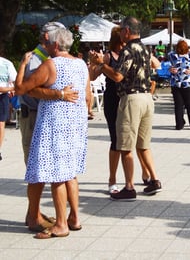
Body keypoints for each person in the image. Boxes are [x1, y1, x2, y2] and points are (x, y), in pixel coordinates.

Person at [15, 27, 90, 239]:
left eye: (48, 43)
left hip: (53, 125)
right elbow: (87, 97)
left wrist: (22, 64)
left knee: (57, 175)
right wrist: (58, 95)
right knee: (70, 173)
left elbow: (21, 88)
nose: (45, 46)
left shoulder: (51, 64)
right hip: (75, 125)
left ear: (55, 45)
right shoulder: (81, 64)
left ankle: (61, 224)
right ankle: (74, 218)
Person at [90, 16, 162, 200]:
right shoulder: (146, 49)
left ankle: (129, 187)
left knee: (126, 146)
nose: (121, 33)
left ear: (127, 31)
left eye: (122, 29)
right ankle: (154, 179)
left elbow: (118, 76)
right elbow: (156, 67)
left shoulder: (128, 50)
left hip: (131, 99)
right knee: (143, 144)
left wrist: (101, 64)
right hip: (147, 97)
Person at [88, 26, 125, 194]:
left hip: (127, 99)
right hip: (112, 100)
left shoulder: (129, 54)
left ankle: (142, 175)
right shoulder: (109, 57)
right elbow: (93, 76)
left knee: (129, 140)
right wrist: (94, 63)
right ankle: (112, 179)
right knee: (116, 140)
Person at [168, 40, 190, 130]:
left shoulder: (172, 55)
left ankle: (179, 124)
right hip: (184, 81)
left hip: (178, 81)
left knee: (179, 105)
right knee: (188, 104)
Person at [0, 52, 17, 159]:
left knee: (1, 124)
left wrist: (10, 89)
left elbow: (16, 81)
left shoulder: (6, 63)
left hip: (2, 96)